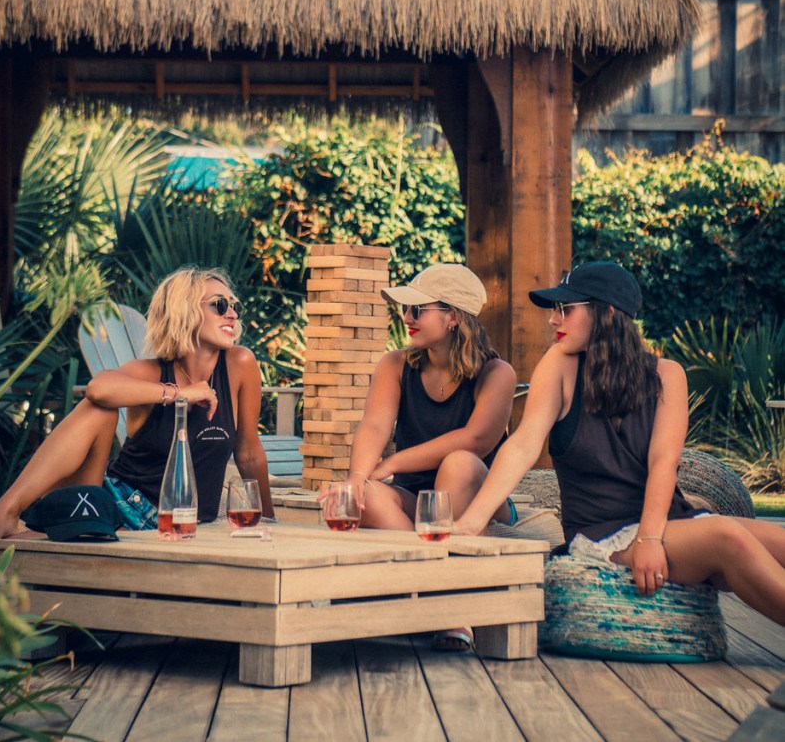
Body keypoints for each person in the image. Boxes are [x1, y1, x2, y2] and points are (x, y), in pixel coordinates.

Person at [454, 260, 785, 625]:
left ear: (607, 313)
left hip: (668, 523)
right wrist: (471, 521)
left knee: (772, 540)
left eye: (566, 309)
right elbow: (523, 445)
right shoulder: (559, 366)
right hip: (603, 534)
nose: (553, 319)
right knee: (727, 535)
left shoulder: (667, 375)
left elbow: (664, 462)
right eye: (554, 309)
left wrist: (650, 538)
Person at [0, 266, 274, 552]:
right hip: (113, 502)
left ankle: (45, 530)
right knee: (100, 408)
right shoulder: (149, 372)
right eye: (220, 305)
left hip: (176, 520)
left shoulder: (239, 364)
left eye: (235, 306)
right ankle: (6, 512)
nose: (232, 313)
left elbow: (248, 452)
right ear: (185, 312)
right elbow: (99, 389)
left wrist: (272, 522)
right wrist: (183, 394)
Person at [331, 263, 516, 648]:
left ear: (452, 317)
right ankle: (443, 596)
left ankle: (444, 604)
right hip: (415, 502)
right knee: (364, 498)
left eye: (417, 310)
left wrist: (394, 462)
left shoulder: (497, 373)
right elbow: (374, 427)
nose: (406, 318)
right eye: (404, 309)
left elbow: (477, 439)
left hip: (473, 498)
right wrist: (356, 481)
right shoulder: (395, 364)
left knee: (459, 462)